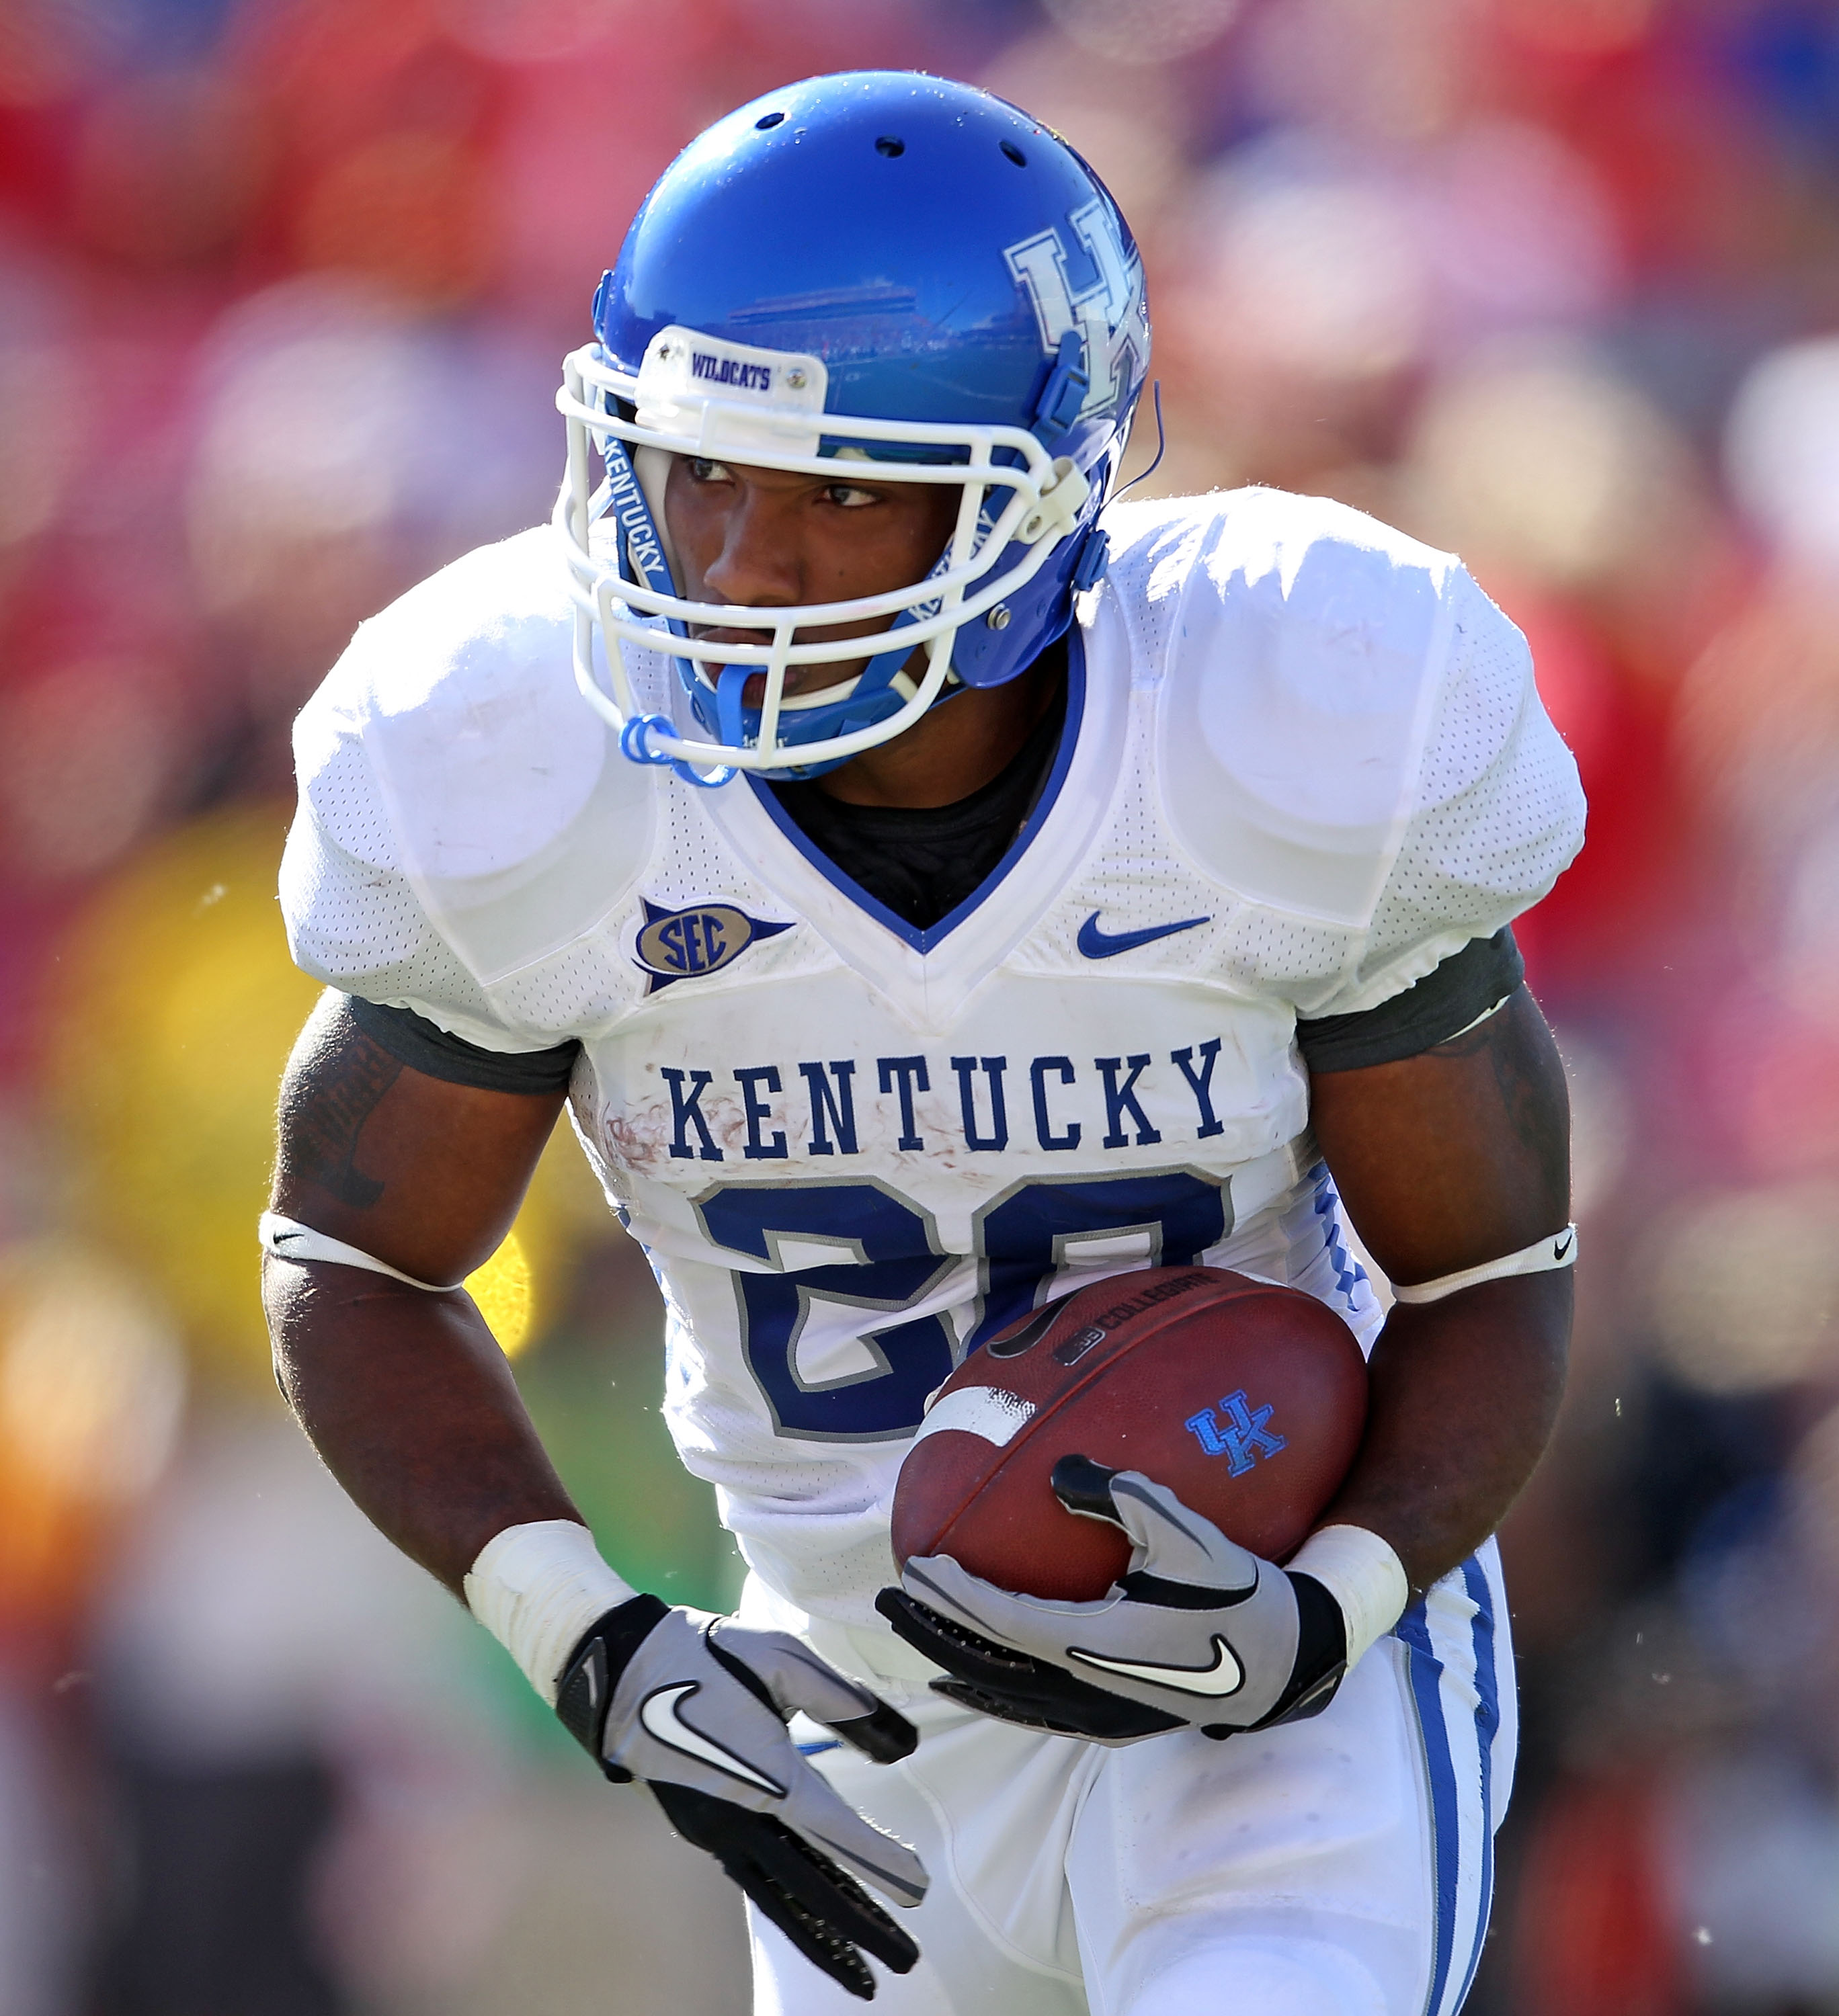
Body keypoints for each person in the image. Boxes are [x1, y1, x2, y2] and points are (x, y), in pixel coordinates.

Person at [261, 69, 1586, 2016]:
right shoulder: (511, 748)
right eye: (696, 466)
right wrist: (598, 1644)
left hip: (1255, 1671)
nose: (739, 567)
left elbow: (1487, 1263)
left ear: (1046, 491)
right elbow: (358, 1261)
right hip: (847, 1703)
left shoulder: (1290, 708)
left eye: (845, 492)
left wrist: (1330, 1612)